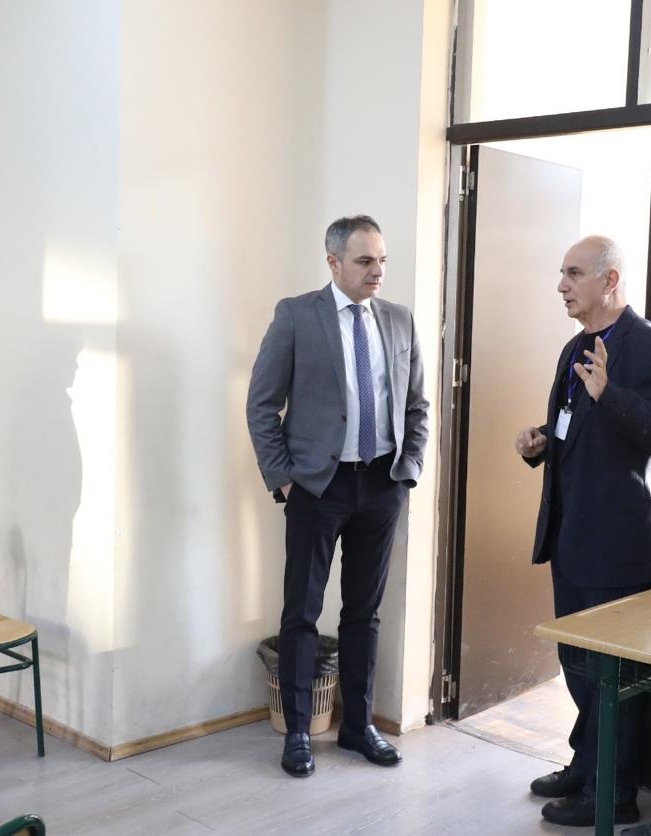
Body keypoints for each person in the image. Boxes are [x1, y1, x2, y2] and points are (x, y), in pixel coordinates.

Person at [515, 236, 651, 827]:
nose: (561, 285)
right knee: (577, 664)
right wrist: (542, 442)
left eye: (573, 274)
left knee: (610, 675)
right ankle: (586, 763)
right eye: (561, 273)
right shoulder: (575, 348)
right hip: (571, 537)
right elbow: (577, 427)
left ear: (610, 281)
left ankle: (613, 792)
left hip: (619, 547)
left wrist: (610, 394)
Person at [246, 215, 429, 777]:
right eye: (364, 261)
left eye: (382, 260)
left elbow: (416, 405)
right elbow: (261, 403)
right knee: (301, 612)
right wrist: (283, 477)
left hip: (381, 484)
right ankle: (299, 731)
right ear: (333, 262)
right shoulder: (296, 316)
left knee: (365, 613)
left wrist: (408, 470)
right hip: (317, 487)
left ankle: (358, 726)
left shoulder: (399, 320)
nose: (377, 271)